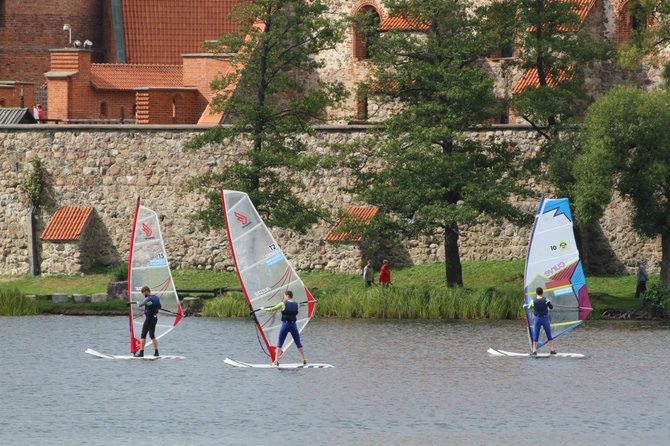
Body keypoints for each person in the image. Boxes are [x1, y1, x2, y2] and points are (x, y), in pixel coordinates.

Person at [261, 290, 307, 366]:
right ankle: (304, 359)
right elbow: (300, 305)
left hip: (285, 325)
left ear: (287, 296)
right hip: (293, 326)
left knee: (280, 343)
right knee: (298, 343)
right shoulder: (296, 304)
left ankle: (276, 361)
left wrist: (263, 309)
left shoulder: (282, 304)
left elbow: (272, 309)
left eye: (284, 296)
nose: (284, 297)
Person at [526, 287, 556, 355]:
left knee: (536, 335)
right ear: (542, 293)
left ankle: (534, 351)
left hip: (537, 319)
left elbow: (529, 307)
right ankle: (552, 350)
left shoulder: (533, 300)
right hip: (545, 319)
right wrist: (549, 304)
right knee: (548, 334)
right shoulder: (546, 299)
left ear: (536, 293)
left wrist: (527, 306)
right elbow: (551, 307)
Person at [133, 286, 162, 357]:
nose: (143, 294)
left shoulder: (148, 298)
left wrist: (138, 302)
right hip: (155, 318)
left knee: (143, 334)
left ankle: (141, 353)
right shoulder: (156, 298)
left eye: (143, 293)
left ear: (146, 291)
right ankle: (156, 352)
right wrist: (149, 304)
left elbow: (140, 305)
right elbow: (159, 306)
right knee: (152, 335)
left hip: (149, 318)